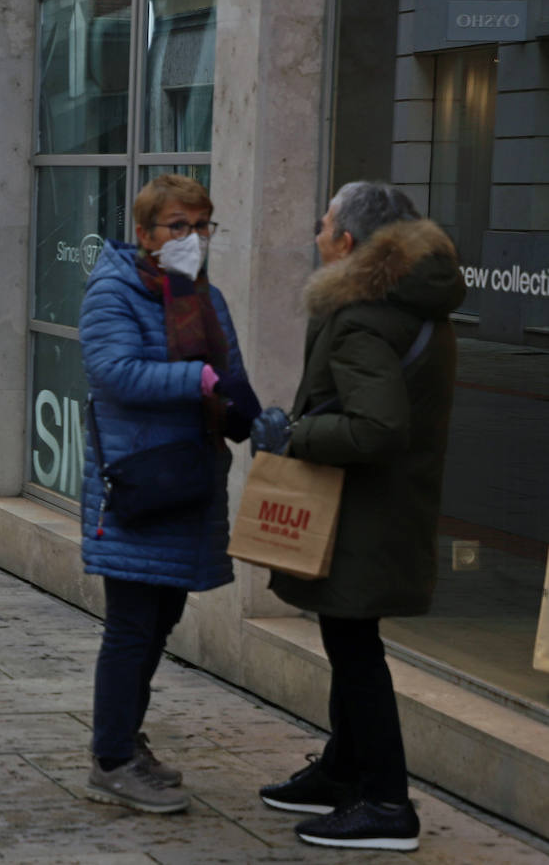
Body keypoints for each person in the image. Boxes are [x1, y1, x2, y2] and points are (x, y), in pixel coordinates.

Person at [257, 182, 464, 852]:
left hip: (364, 514)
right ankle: (344, 770)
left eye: (323, 226)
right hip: (385, 508)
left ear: (346, 242)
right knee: (350, 642)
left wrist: (295, 437)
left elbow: (376, 427)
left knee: (355, 651)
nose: (315, 236)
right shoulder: (412, 304)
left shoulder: (363, 317)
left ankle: (384, 801)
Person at [79, 174, 259, 814]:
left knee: (162, 620)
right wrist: (199, 378)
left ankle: (125, 737)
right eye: (178, 227)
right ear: (146, 235)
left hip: (190, 484)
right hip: (139, 484)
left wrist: (250, 415)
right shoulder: (114, 289)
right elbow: (115, 372)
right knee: (131, 626)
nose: (192, 238)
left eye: (202, 226)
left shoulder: (202, 296)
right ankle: (111, 759)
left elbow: (230, 374)